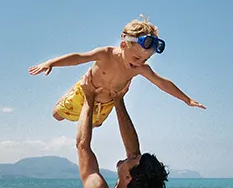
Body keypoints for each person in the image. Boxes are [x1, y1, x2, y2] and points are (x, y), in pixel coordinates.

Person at [29, 16, 205, 126]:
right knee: (57, 116)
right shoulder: (105, 54)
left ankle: (93, 114)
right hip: (84, 94)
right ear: (123, 45)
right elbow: (78, 58)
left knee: (95, 124)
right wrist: (51, 62)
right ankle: (69, 92)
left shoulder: (140, 68)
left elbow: (161, 82)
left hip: (107, 104)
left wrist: (186, 99)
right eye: (137, 58)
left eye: (146, 59)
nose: (140, 63)